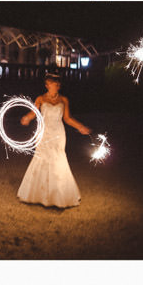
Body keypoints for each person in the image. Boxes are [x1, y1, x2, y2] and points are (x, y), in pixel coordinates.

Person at [17, 74, 91, 208]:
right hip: (44, 133)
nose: (55, 87)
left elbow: (67, 119)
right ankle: (40, 194)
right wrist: (26, 118)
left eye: (57, 84)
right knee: (42, 159)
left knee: (58, 159)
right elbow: (33, 113)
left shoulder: (64, 100)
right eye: (51, 84)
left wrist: (80, 126)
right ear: (47, 85)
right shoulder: (40, 98)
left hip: (58, 133)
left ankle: (58, 195)